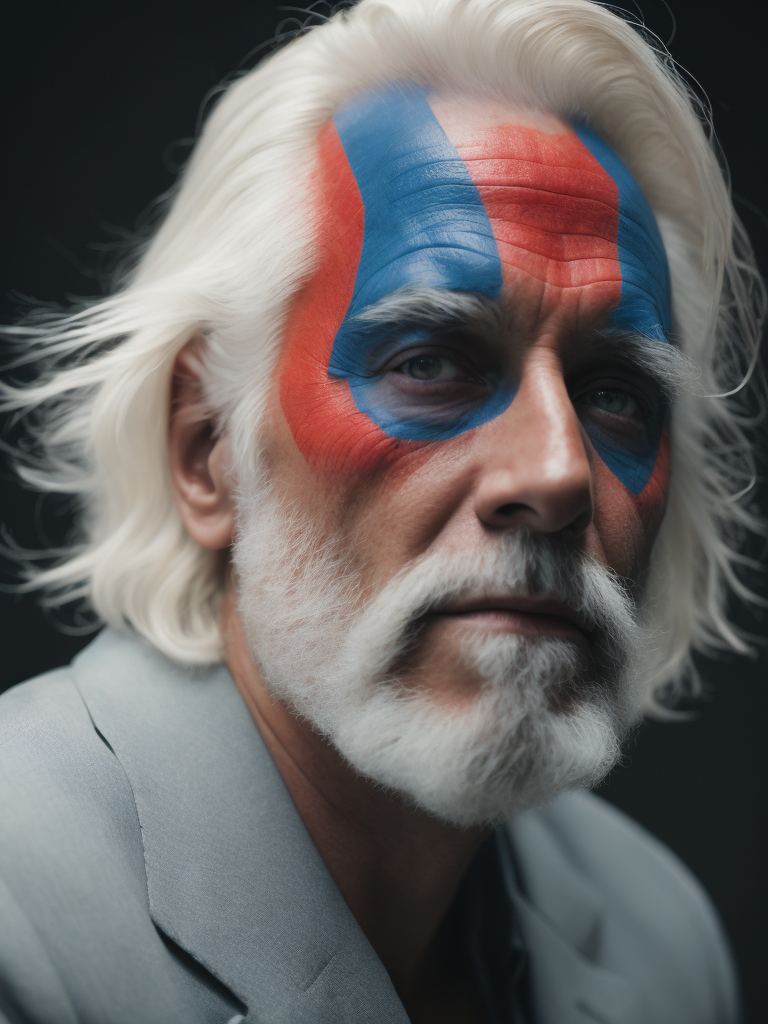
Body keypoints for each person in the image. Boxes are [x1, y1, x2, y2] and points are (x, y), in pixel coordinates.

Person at [0, 0, 763, 1021]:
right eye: (434, 362)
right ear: (207, 448)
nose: (557, 471)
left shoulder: (661, 939)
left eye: (615, 389)